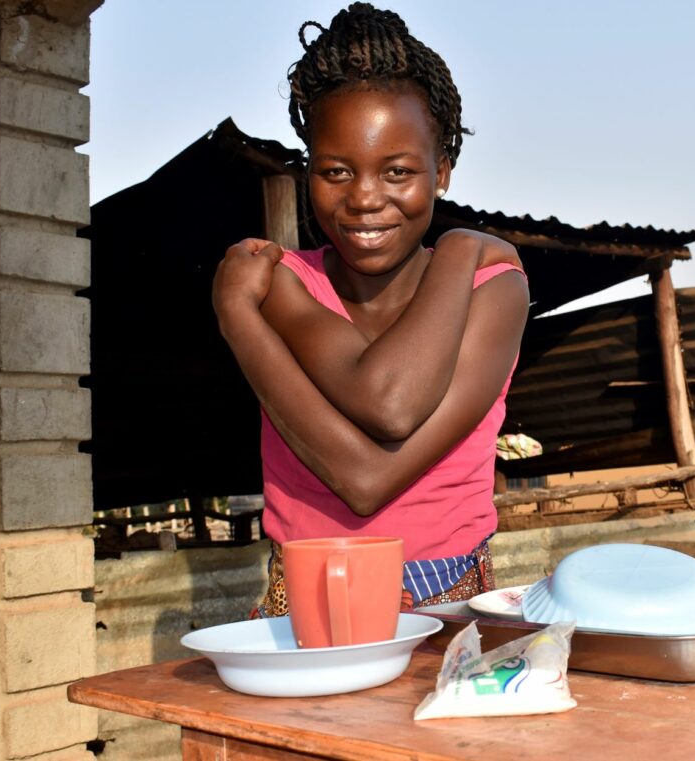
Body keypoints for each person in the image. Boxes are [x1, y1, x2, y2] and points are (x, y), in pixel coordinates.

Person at [211, 3, 529, 616]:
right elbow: (372, 441)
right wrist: (240, 316)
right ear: (308, 174)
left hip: (454, 599)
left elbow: (378, 444)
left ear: (442, 171)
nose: (363, 199)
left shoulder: (491, 289)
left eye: (398, 172)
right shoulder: (282, 285)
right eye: (336, 171)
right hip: (305, 601)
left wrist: (459, 252)